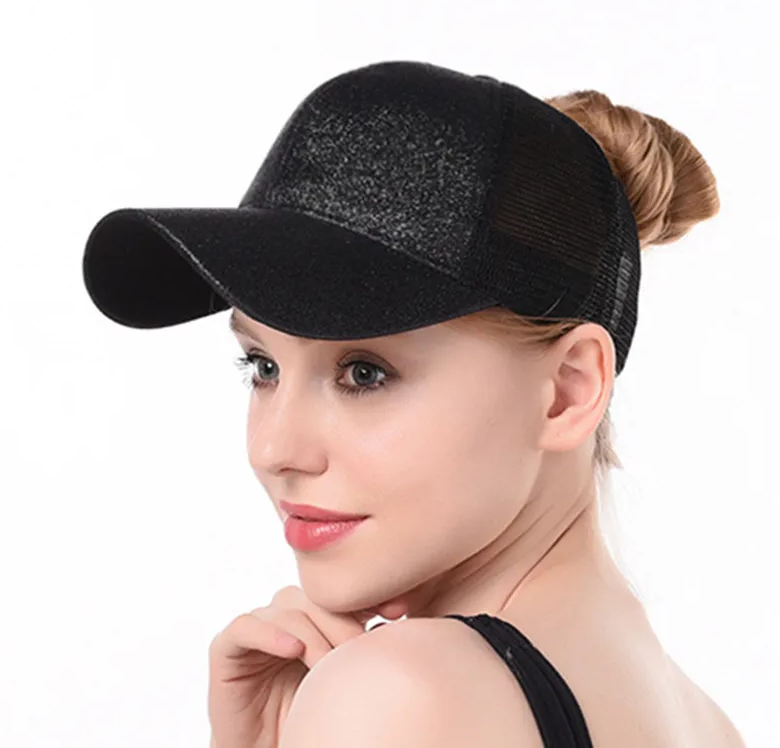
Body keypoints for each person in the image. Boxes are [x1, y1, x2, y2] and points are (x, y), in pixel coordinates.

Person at [82, 60, 745, 746]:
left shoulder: (396, 694)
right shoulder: (705, 723)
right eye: (263, 366)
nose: (274, 449)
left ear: (567, 392)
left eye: (364, 373)